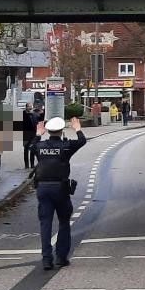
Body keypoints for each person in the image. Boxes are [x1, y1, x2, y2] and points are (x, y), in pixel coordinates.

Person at [32, 116, 87, 270]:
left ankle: (46, 259)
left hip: (42, 188)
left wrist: (38, 134)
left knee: (45, 224)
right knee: (63, 222)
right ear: (61, 130)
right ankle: (61, 257)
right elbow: (82, 141)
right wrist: (77, 128)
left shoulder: (40, 146)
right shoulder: (66, 146)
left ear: (48, 131)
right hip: (60, 189)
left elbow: (31, 148)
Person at [21, 105, 42, 169]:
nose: (30, 108)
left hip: (33, 134)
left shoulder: (34, 115)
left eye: (31, 106)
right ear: (26, 107)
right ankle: (26, 165)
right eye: (29, 106)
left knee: (33, 149)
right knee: (26, 149)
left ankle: (32, 164)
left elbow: (38, 121)